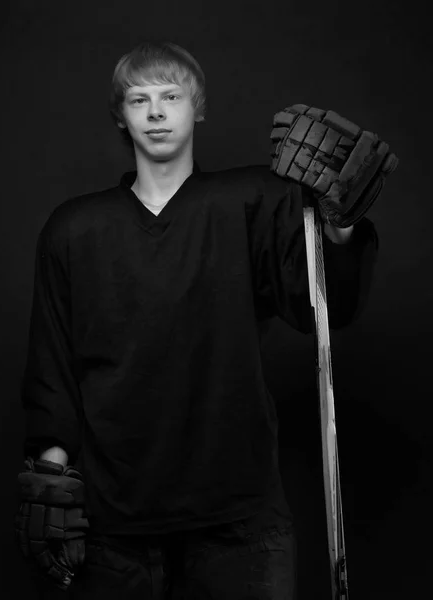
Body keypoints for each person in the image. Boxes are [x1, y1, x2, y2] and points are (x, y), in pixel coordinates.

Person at [20, 40, 379, 599]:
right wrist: (50, 474)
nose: (157, 112)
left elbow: (322, 306)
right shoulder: (74, 229)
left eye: (171, 96)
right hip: (116, 523)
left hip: (240, 520)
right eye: (139, 100)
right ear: (121, 115)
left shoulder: (252, 201)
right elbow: (53, 362)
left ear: (198, 107)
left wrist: (340, 227)